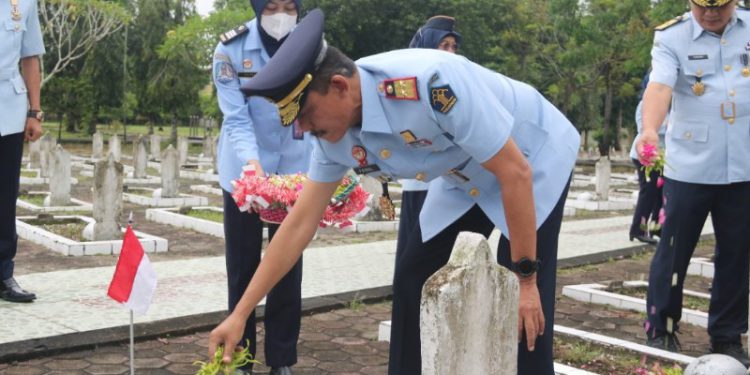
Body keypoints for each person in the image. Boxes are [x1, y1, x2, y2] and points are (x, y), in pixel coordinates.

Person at [209, 10, 580, 374]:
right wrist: (240, 314)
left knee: (520, 299)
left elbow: (514, 172)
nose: (304, 131)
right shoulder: (331, 138)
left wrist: (526, 278)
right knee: (414, 279)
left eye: (307, 116)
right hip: (462, 173)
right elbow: (298, 225)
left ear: (339, 86)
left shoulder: (429, 83)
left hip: (531, 156)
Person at [639, 0, 750, 366]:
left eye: (720, 7)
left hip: (744, 165)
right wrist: (650, 130)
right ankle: (662, 329)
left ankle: (727, 337)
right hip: (689, 167)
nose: (711, 14)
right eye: (703, 7)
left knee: (737, 255)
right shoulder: (672, 36)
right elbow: (659, 88)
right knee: (672, 253)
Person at [212, 1, 312, 373]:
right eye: (271, 5)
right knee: (243, 265)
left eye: (289, 5)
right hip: (243, 172)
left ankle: (282, 360)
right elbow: (236, 118)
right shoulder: (230, 49)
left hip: (293, 169)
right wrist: (254, 169)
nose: (281, 14)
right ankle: (241, 357)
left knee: (287, 265)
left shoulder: (311, 46)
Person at [396, 15, 461, 262]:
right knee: (413, 258)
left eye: (454, 47)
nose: (450, 52)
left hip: (448, 184)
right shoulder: (407, 84)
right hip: (419, 183)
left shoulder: (457, 86)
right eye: (444, 46)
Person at [0, 0, 45, 303]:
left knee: (5, 196)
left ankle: (4, 274)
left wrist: (35, 111)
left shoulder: (23, 3)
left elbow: (30, 57)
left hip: (9, 109)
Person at [628, 72, 666, 245]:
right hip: (645, 155)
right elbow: (645, 129)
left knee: (660, 195)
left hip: (661, 157)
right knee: (648, 193)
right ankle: (638, 229)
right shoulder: (645, 105)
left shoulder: (668, 106)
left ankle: (657, 228)